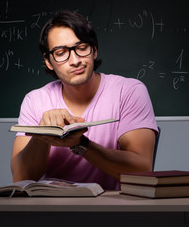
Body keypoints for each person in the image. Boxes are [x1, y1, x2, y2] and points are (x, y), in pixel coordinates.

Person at [10, 10, 158, 190]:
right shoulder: (35, 100)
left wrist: (81, 144)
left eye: (81, 48)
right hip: (52, 210)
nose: (74, 60)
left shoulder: (129, 91)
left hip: (112, 209)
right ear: (49, 61)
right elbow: (21, 178)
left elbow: (141, 169)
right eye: (61, 52)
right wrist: (42, 134)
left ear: (94, 50)